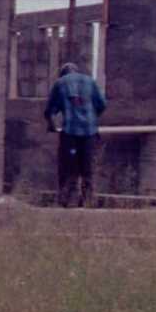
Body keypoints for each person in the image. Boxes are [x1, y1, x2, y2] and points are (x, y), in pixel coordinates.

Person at [44, 62, 107, 208]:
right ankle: (88, 201)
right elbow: (102, 104)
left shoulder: (60, 83)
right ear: (76, 71)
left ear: (63, 74)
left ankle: (67, 201)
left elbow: (49, 111)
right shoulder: (90, 81)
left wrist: (51, 125)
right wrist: (92, 118)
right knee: (87, 166)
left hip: (70, 134)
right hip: (89, 133)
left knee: (68, 166)